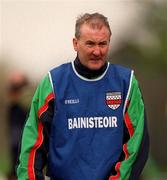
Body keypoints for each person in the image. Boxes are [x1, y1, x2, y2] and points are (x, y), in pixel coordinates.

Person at [17, 13, 149, 180]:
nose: (97, 51)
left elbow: (136, 145)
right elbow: (32, 145)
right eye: (90, 44)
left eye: (103, 44)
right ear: (75, 43)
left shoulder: (127, 83)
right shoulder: (53, 83)